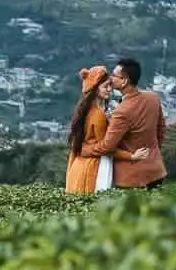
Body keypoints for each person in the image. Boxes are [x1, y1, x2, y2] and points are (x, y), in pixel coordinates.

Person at [65, 63, 153, 194]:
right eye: (105, 86)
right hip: (93, 167)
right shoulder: (98, 114)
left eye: (110, 86)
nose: (109, 90)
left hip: (81, 166)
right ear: (95, 89)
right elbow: (106, 147)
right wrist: (132, 156)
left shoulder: (89, 111)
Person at [91, 57, 167, 189]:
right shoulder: (153, 98)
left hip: (131, 178)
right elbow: (161, 129)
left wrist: (86, 149)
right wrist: (153, 152)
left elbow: (107, 147)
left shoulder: (122, 112)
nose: (110, 78)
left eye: (114, 75)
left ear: (125, 81)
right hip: (155, 171)